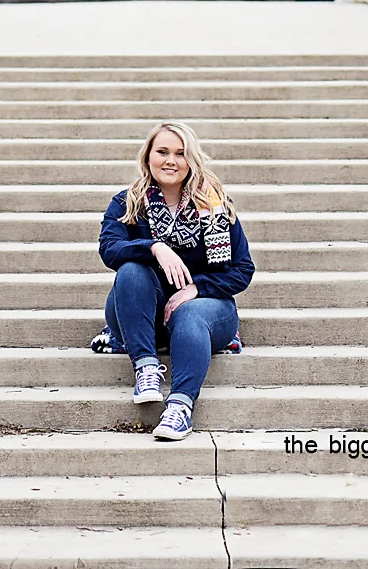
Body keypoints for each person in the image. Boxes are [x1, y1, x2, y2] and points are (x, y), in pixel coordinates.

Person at [97, 121, 255, 440]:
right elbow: (109, 249)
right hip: (142, 313)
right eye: (163, 151)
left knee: (189, 313)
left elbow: (241, 270)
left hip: (204, 310)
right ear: (148, 157)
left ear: (191, 160)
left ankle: (180, 409)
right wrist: (154, 247)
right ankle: (146, 368)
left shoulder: (214, 205)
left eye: (180, 153)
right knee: (130, 269)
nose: (171, 160)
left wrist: (196, 288)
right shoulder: (128, 202)